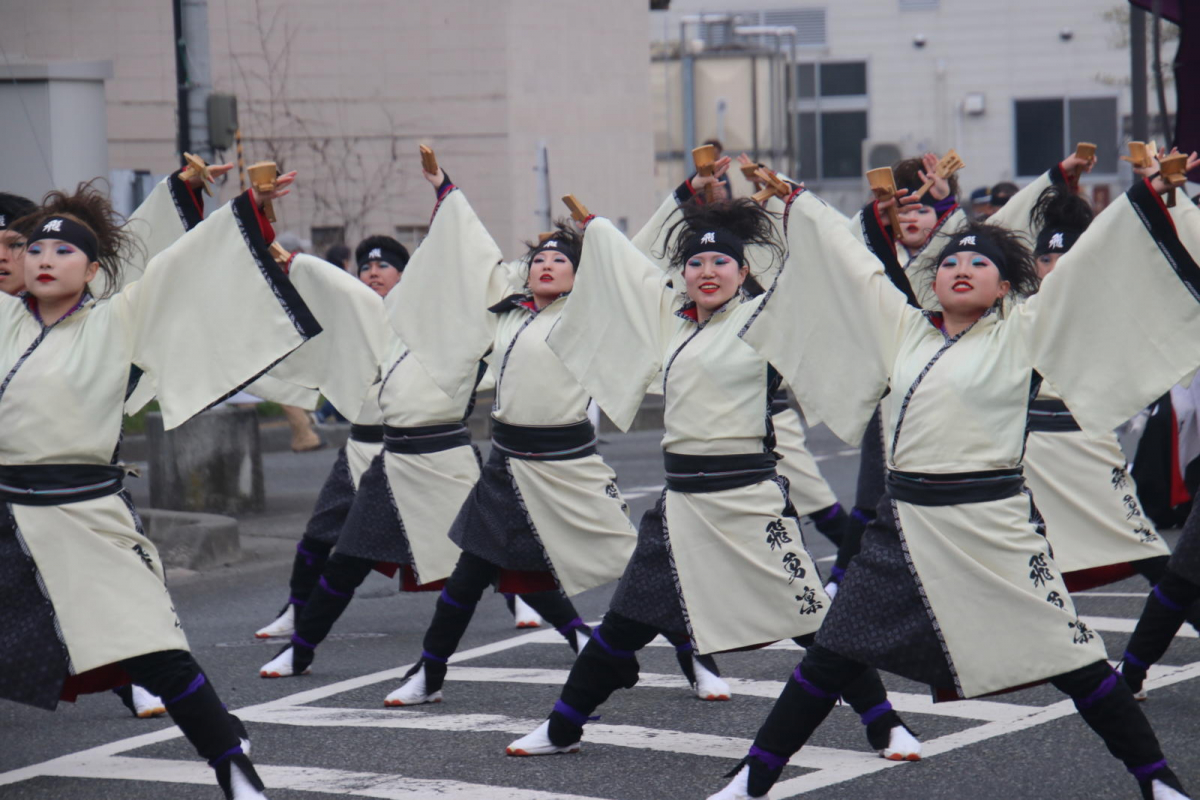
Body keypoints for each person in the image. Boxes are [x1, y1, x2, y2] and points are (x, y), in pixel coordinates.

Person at [706, 159, 1200, 799]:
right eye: (949, 264)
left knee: (1074, 659)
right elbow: (854, 271)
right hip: (902, 527)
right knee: (832, 655)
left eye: (979, 265)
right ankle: (756, 775)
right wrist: (799, 200)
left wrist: (1148, 197)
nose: (960, 270)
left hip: (991, 526)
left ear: (1004, 290)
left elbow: (1088, 268)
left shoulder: (1023, 333)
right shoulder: (905, 332)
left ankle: (1156, 779)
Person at [504, 190, 919, 762]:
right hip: (681, 505)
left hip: (748, 499)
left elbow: (834, 275)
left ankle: (884, 722)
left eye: (721, 262)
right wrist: (598, 232)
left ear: (744, 271)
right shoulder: (672, 325)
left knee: (811, 621)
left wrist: (835, 215)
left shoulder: (765, 319)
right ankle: (561, 727)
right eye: (695, 262)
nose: (707, 271)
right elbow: (629, 277)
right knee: (624, 624)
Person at [1, 169, 330, 800]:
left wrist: (249, 212)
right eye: (34, 249)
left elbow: (186, 267)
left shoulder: (117, 321)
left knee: (154, 650)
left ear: (94, 271)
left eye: (64, 250)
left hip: (86, 515)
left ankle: (232, 764)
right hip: (7, 515)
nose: (44, 260)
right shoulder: (3, 319)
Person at [377, 159, 643, 709]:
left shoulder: (586, 316)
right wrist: (446, 193)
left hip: (567, 468)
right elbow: (473, 254)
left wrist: (595, 232)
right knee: (468, 577)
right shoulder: (506, 316)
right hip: (505, 467)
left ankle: (694, 659)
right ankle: (429, 672)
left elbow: (632, 281)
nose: (547, 265)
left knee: (640, 566)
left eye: (560, 260)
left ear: (579, 275)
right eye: (539, 259)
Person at [254, 235, 408, 640]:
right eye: (366, 268)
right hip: (361, 443)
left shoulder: (418, 315)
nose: (373, 273)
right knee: (319, 533)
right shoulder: (349, 315)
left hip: (415, 448)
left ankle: (523, 599)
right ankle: (295, 607)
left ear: (404, 275)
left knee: (472, 537)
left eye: (383, 267)